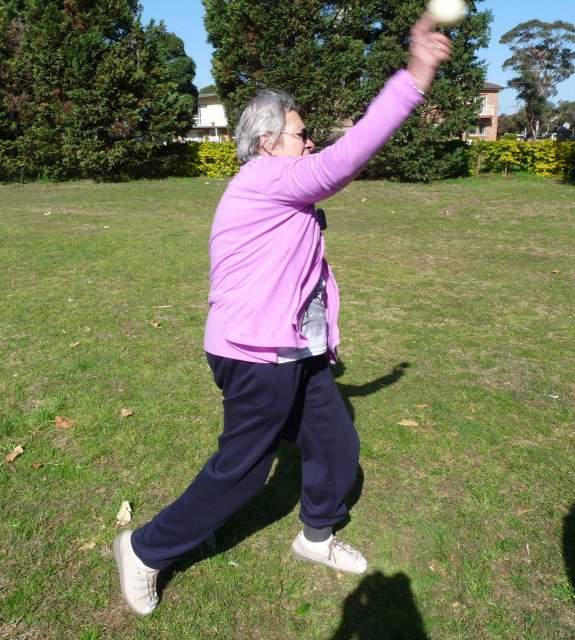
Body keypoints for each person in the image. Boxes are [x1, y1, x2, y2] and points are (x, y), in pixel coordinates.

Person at [113, 13, 452, 616]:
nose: (310, 142)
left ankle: (314, 537)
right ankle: (143, 550)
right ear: (268, 142)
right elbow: (345, 159)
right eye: (300, 134)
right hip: (253, 352)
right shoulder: (265, 177)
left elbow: (305, 276)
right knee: (243, 472)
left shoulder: (280, 191)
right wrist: (414, 76)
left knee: (337, 446)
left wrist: (329, 345)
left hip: (297, 348)